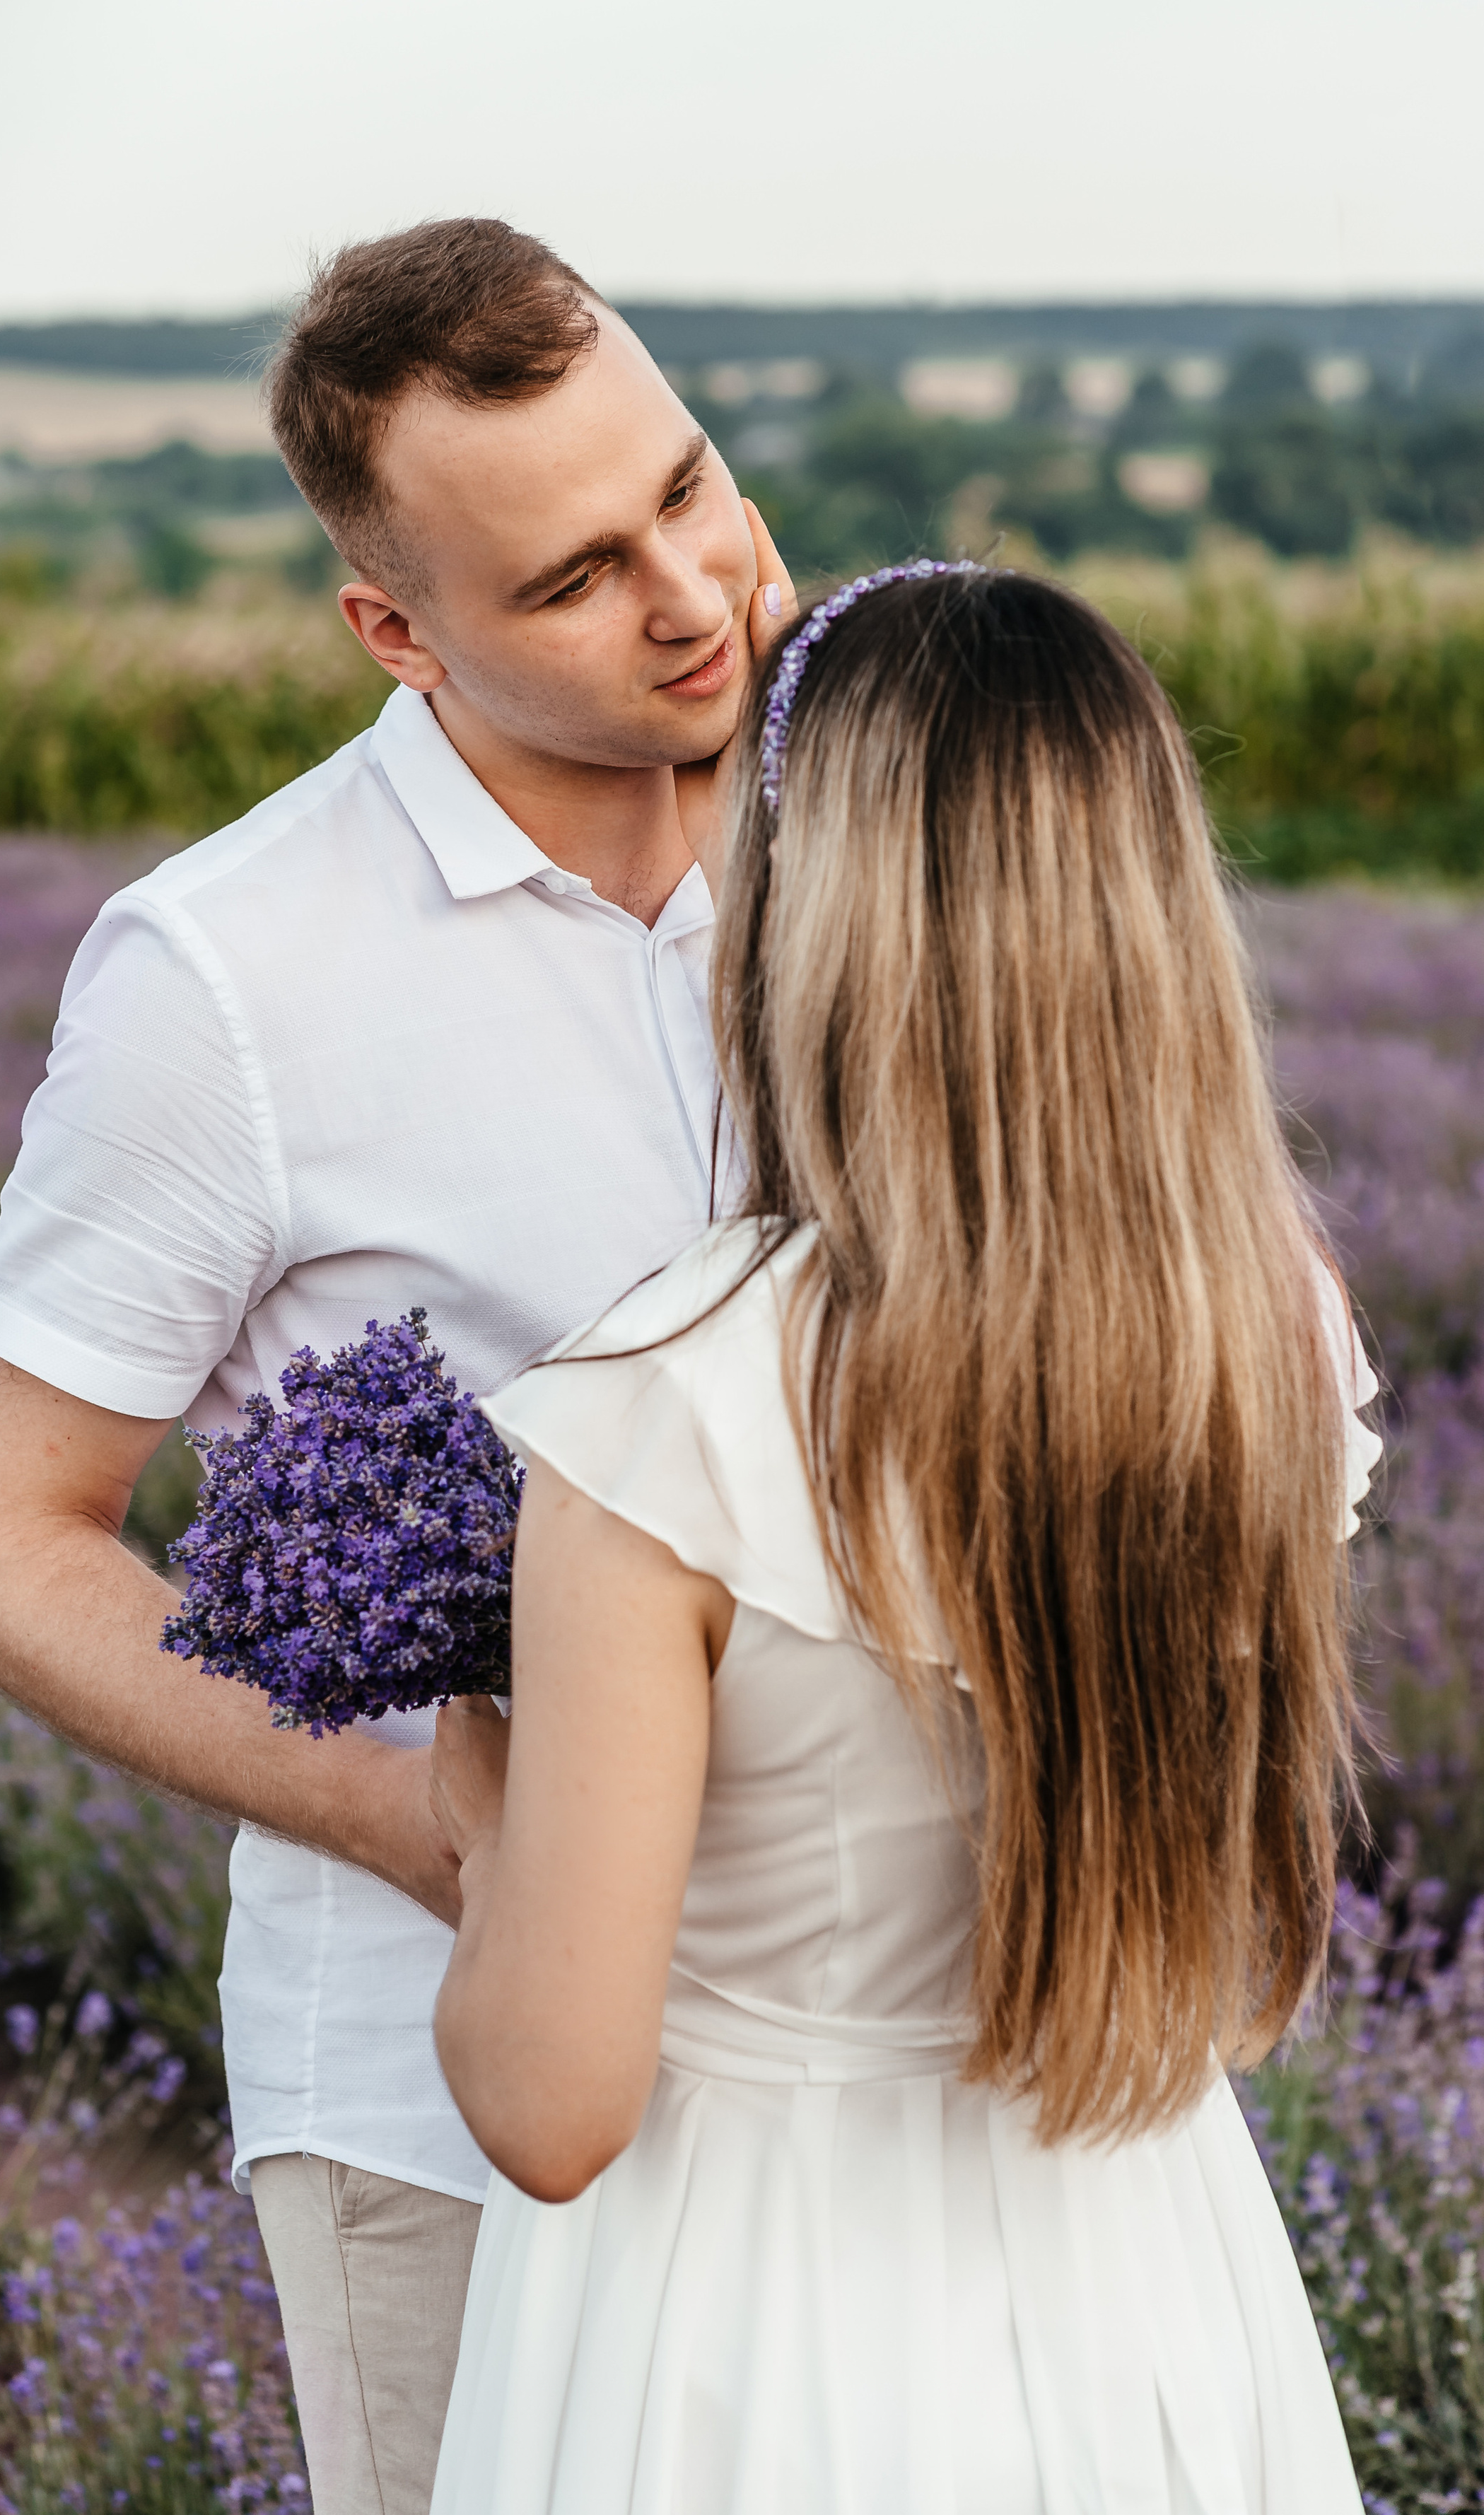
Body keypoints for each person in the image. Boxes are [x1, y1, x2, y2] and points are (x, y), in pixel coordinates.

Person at [0, 216, 795, 2515]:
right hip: (441, 2116)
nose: (691, 593)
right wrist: (434, 1826)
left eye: (688, 487)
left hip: (883, 2053)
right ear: (396, 633)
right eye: (577, 575)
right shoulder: (225, 976)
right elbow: (0, 1544)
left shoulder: (881, 833)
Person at [426, 561, 1378, 2512]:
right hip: (1146, 2283)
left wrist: (479, 1766)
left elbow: (547, 2103)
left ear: (803, 921)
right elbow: (1250, 1963)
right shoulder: (1270, 1326)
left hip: (753, 2330)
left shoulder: (666, 1407)